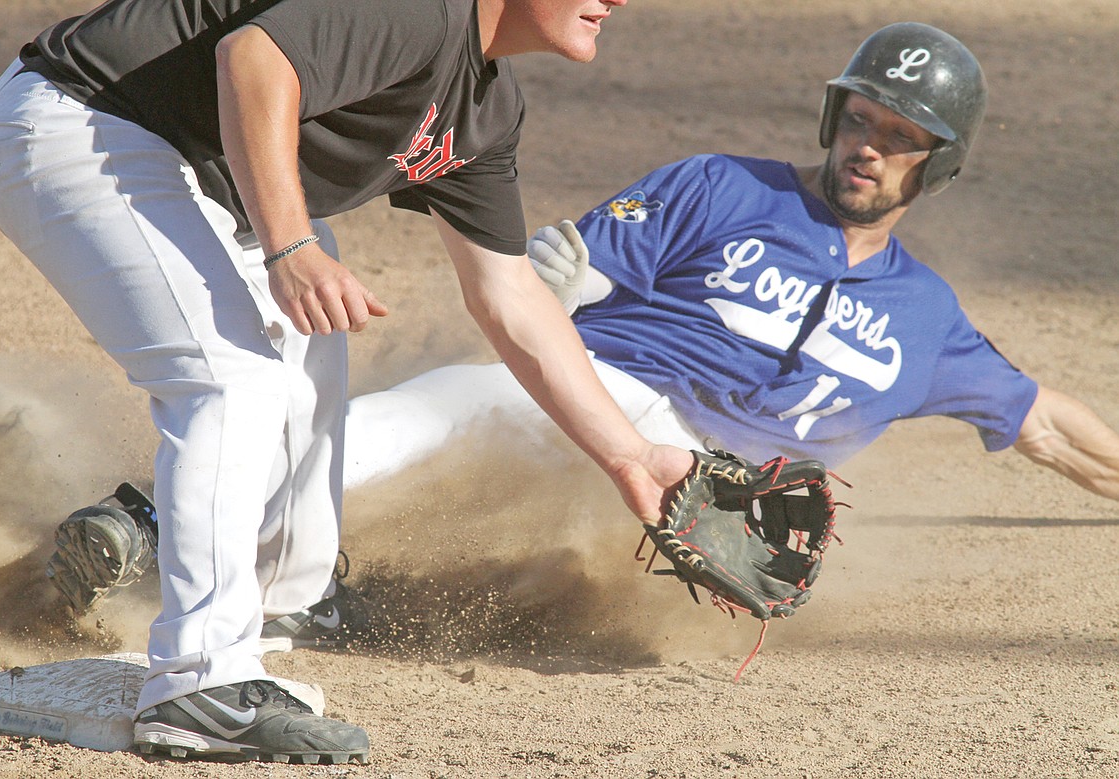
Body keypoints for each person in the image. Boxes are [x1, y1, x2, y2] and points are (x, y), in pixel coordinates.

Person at [0, 0, 695, 764]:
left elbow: (508, 293)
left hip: (197, 172)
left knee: (309, 321)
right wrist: (290, 246)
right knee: (230, 377)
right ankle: (198, 682)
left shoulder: (484, 107)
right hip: (80, 123)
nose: (619, 0)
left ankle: (286, 594)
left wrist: (632, 457)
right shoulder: (421, 10)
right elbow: (252, 58)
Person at [340, 20, 1119, 498]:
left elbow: (1043, 422)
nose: (869, 147)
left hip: (730, 494)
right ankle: (257, 531)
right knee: (455, 401)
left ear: (939, 166)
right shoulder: (721, 186)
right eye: (859, 120)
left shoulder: (928, 318)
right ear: (831, 119)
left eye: (901, 137)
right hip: (611, 400)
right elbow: (572, 277)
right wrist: (562, 292)